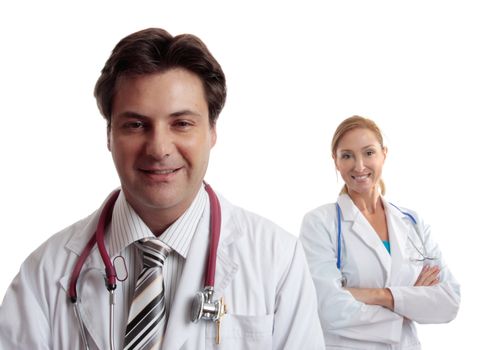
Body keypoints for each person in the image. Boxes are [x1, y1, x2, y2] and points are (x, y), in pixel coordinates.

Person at [0, 28, 325, 350]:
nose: (158, 148)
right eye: (136, 124)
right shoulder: (43, 274)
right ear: (109, 135)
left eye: (181, 123)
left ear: (212, 131)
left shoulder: (277, 259)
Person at [299, 116, 460, 349]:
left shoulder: (412, 222)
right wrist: (409, 304)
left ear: (384, 153)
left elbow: (449, 301)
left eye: (369, 153)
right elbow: (327, 307)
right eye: (347, 155)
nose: (359, 166)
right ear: (335, 161)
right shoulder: (320, 223)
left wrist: (380, 296)